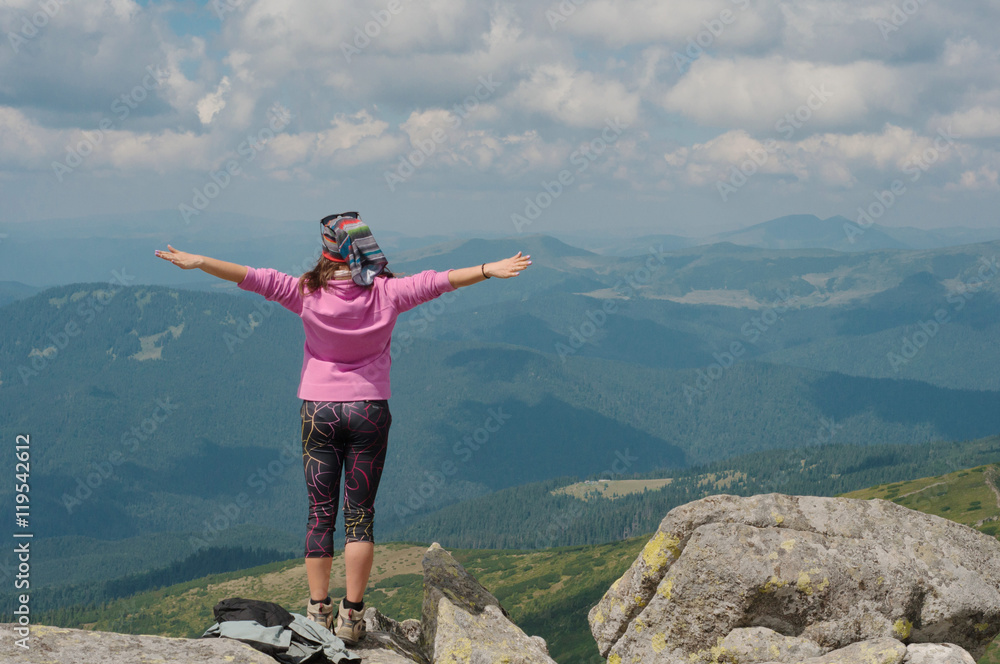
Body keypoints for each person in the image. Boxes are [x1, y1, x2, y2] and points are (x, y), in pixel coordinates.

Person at [155, 212, 531, 646]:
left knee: (320, 515)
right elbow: (440, 280)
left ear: (325, 252)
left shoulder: (305, 291)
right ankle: (352, 617)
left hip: (319, 411)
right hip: (369, 410)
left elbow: (251, 277)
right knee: (360, 518)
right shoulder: (389, 292)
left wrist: (200, 261)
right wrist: (488, 269)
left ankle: (318, 611)